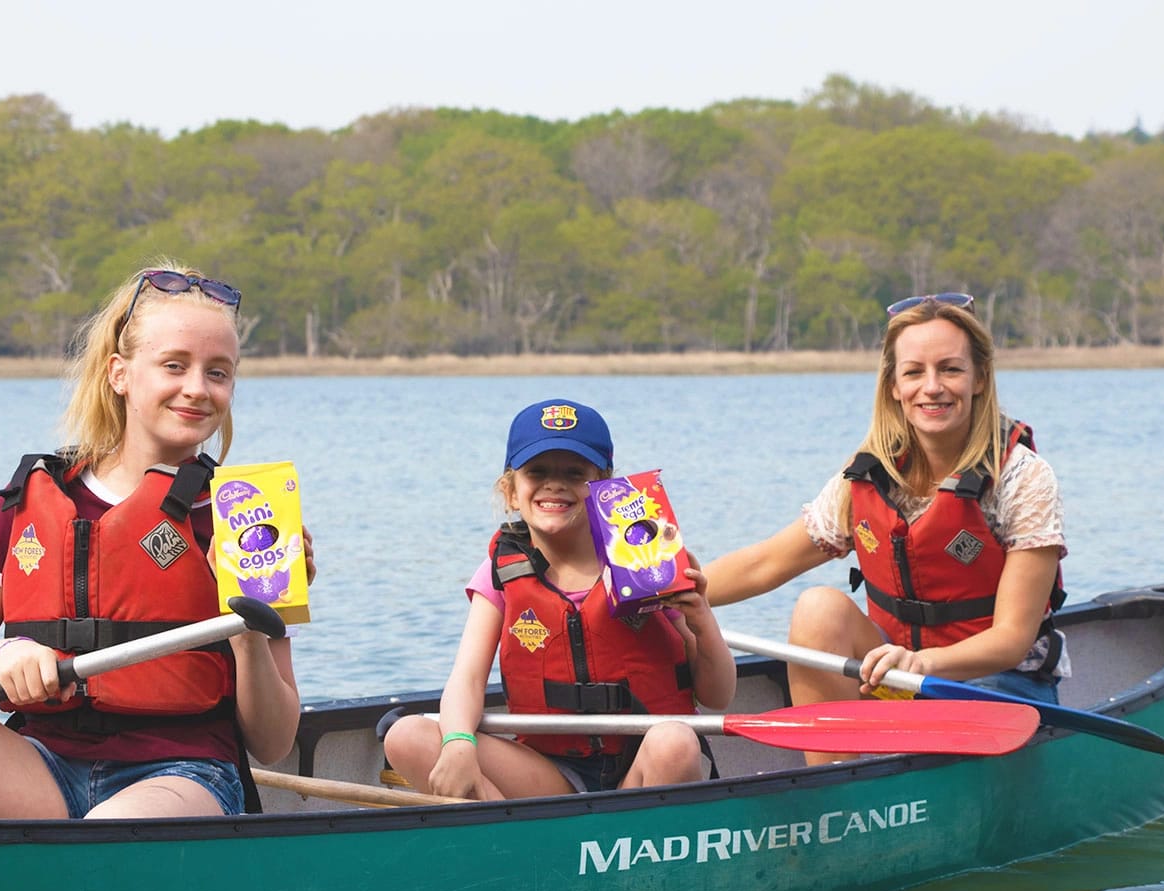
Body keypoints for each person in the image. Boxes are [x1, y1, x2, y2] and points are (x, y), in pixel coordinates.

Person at [0, 261, 310, 819]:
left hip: (183, 773)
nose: (197, 390)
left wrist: (247, 630)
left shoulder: (249, 516)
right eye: (174, 366)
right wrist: (6, 653)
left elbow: (274, 742)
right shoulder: (30, 499)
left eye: (219, 373)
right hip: (40, 766)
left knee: (108, 830)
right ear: (120, 374)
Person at [703, 292, 1067, 765]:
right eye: (914, 372)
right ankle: (834, 786)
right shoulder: (869, 474)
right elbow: (764, 564)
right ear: (893, 385)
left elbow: (1012, 638)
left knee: (974, 679)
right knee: (818, 607)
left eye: (950, 369)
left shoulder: (1022, 477)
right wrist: (670, 593)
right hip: (895, 681)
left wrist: (923, 664)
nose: (931, 387)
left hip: (994, 686)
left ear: (979, 378)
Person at [383, 398, 737, 799]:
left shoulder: (646, 558)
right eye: (537, 471)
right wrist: (458, 742)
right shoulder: (501, 571)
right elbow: (466, 679)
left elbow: (717, 695)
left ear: (605, 486)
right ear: (511, 491)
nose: (555, 484)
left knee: (673, 740)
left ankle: (620, 845)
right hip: (552, 770)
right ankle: (515, 846)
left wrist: (702, 621)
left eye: (574, 472)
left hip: (648, 761)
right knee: (406, 736)